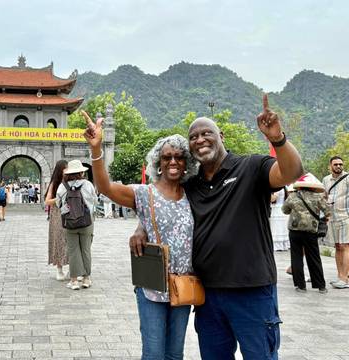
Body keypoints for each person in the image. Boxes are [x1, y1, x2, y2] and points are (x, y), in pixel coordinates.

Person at [129, 95, 303, 359]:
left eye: (206, 133)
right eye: (193, 137)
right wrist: (142, 228)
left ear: (220, 135)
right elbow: (166, 207)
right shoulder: (191, 185)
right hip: (207, 296)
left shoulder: (251, 167)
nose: (200, 139)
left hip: (252, 292)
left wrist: (277, 139)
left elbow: (290, 172)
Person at [83, 110, 197, 359]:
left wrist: (140, 228)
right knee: (154, 353)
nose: (173, 162)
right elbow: (106, 187)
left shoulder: (194, 195)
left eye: (179, 156)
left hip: (183, 285)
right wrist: (96, 150)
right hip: (152, 286)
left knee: (175, 354)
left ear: (187, 161)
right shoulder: (145, 193)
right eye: (167, 157)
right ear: (158, 162)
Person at [282, 173, 329, 293]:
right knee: (314, 257)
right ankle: (321, 286)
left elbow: (285, 210)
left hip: (294, 230)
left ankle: (300, 286)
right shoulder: (318, 197)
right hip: (311, 231)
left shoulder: (292, 196)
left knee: (296, 257)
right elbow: (328, 211)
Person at [56, 159, 97, 290]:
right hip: (87, 222)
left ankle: (74, 281)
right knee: (86, 249)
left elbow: (58, 204)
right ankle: (86, 279)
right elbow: (95, 201)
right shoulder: (88, 184)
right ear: (81, 172)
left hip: (70, 223)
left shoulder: (63, 186)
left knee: (73, 251)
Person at [322, 155, 349, 289]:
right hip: (332, 217)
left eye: (340, 164)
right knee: (337, 247)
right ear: (330, 166)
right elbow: (324, 196)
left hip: (345, 216)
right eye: (336, 164)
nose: (338, 166)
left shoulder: (348, 178)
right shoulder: (326, 180)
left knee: (345, 246)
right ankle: (340, 276)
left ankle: (344, 278)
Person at [45, 160, 69, 280]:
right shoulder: (54, 183)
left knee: (70, 241)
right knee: (59, 240)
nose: (67, 171)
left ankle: (72, 268)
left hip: (70, 214)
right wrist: (59, 198)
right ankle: (59, 269)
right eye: (65, 168)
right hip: (57, 214)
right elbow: (47, 201)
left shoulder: (71, 181)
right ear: (60, 170)